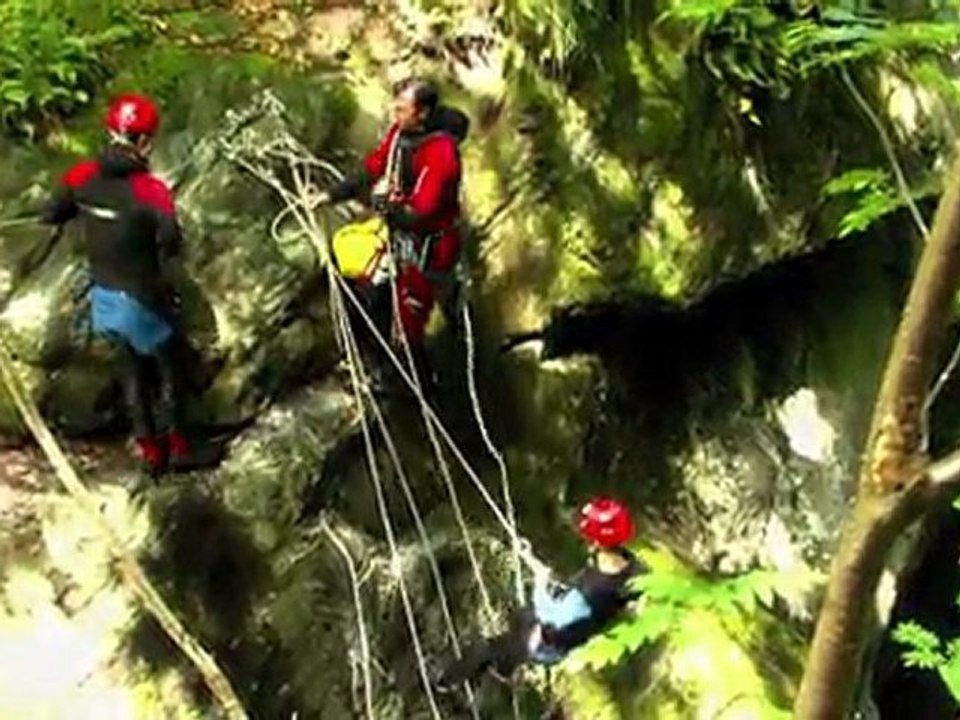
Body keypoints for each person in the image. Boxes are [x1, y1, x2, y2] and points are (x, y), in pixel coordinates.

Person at [40, 93, 207, 477]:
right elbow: (170, 241)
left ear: (109, 132)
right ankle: (179, 447)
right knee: (171, 368)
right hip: (142, 297)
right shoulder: (151, 190)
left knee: (130, 369)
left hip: (105, 298)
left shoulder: (81, 176)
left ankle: (148, 451)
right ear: (146, 142)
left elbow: (52, 211)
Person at [313, 77, 469, 392]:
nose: (393, 114)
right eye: (394, 106)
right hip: (401, 236)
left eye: (401, 109)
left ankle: (425, 384)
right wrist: (331, 195)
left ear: (422, 113)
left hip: (429, 248)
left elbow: (421, 212)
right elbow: (373, 167)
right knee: (368, 290)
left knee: (409, 321)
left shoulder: (441, 155)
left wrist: (381, 203)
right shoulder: (402, 135)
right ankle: (379, 357)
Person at [438, 498, 647, 689]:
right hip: (571, 628)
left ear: (596, 542)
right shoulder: (632, 567)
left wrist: (540, 580)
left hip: (548, 644)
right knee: (519, 616)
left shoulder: (591, 592)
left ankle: (445, 683)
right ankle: (506, 664)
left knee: (484, 648)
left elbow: (550, 616)